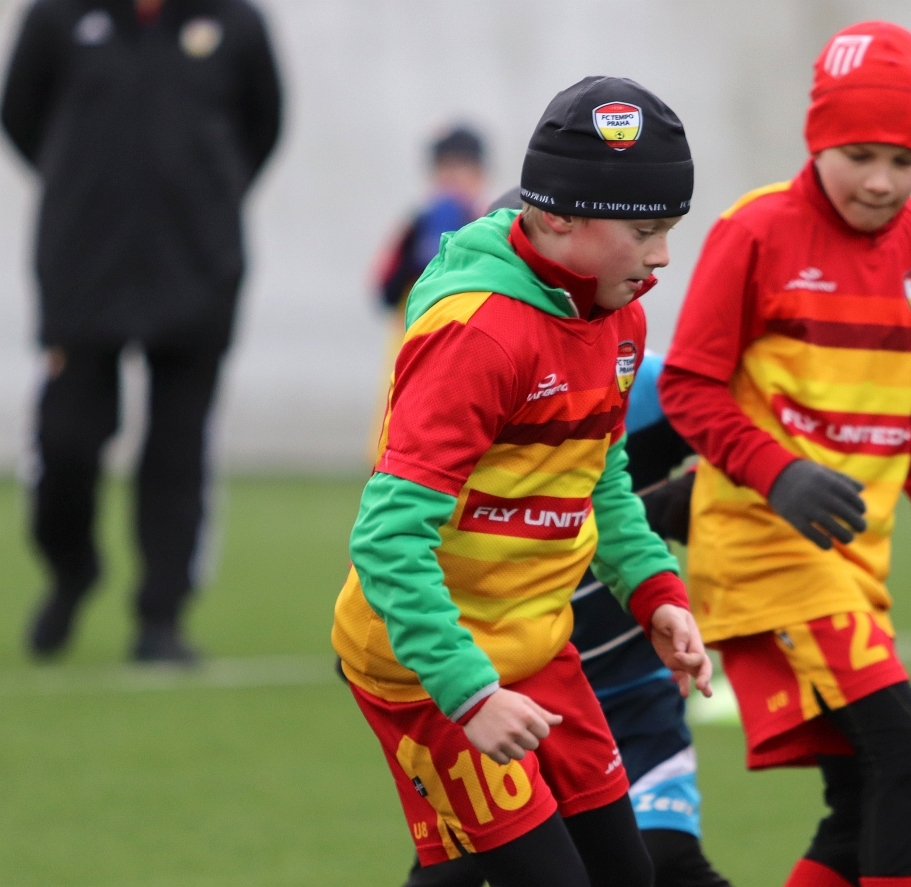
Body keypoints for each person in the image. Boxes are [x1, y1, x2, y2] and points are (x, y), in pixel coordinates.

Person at [332, 76, 711, 887]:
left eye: (669, 230)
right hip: (430, 666)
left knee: (628, 874)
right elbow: (387, 537)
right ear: (560, 215)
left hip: (536, 646)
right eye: (645, 231)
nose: (662, 256)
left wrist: (655, 591)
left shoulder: (618, 316)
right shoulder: (479, 334)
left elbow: (601, 477)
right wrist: (469, 693)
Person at [659, 22, 911, 887]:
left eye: (905, 160)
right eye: (859, 155)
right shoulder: (754, 232)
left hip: (854, 560)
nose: (882, 181)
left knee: (859, 808)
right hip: (761, 548)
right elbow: (689, 388)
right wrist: (780, 474)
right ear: (816, 138)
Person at [1, 0, 282, 662]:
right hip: (82, 270)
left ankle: (162, 615)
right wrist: (84, 183)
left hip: (198, 268)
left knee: (178, 452)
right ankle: (72, 570)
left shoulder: (235, 22)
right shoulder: (56, 17)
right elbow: (21, 117)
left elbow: (262, 128)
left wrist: (204, 191)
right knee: (67, 441)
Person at [396, 347, 730, 887]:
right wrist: (391, 629)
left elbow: (760, 437)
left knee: (664, 859)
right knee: (454, 876)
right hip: (498, 687)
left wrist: (706, 499)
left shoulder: (639, 375)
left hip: (634, 689)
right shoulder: (478, 362)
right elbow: (397, 523)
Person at [376, 126, 490, 313]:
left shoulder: (490, 228)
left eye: (461, 165)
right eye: (443, 165)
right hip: (413, 329)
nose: (451, 175)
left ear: (480, 174)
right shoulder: (415, 226)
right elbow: (385, 293)